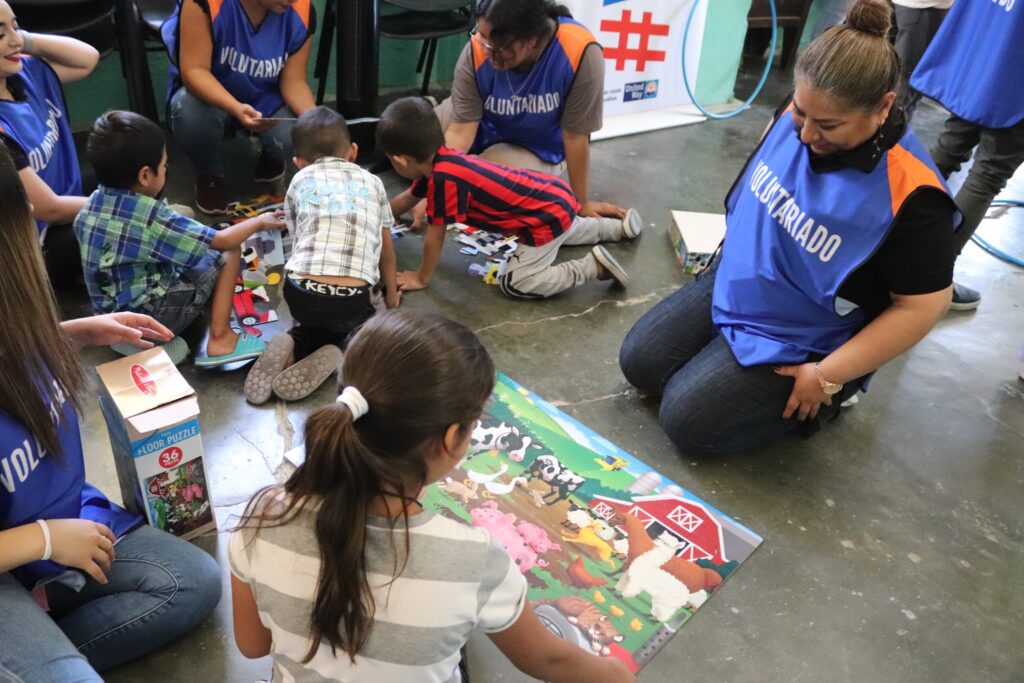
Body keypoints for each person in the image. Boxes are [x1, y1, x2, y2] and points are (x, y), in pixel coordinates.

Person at [619, 0, 959, 455]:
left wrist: (828, 375)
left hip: (808, 333)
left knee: (686, 419)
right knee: (640, 363)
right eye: (801, 113)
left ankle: (835, 396)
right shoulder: (799, 112)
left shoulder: (914, 196)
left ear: (883, 107)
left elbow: (923, 306)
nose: (806, 135)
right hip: (746, 280)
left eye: (828, 125)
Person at [229, 310, 635, 683]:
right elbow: (549, 660)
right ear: (451, 439)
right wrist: (617, 675)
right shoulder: (474, 561)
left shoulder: (263, 517)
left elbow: (252, 645)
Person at [0, 144, 222, 681]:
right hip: (27, 545)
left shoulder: (18, 313)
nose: (33, 212)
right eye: (16, 211)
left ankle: (44, 646)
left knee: (193, 581)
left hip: (56, 520)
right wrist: (44, 540)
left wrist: (70, 333)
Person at [74, 110, 285, 368]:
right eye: (164, 165)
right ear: (145, 175)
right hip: (152, 315)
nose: (166, 169)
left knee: (184, 215)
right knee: (230, 253)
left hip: (109, 317)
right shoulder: (152, 218)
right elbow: (223, 241)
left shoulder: (89, 206)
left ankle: (129, 339)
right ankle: (220, 339)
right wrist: (259, 222)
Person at [379, 97, 642, 300]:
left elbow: (434, 238)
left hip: (542, 218)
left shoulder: (443, 181)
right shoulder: (443, 160)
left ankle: (592, 267)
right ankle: (617, 228)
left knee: (517, 283)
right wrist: (377, 217)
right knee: (562, 226)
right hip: (552, 197)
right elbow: (407, 198)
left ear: (401, 160)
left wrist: (421, 278)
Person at [244, 106, 400, 405]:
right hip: (350, 300)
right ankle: (343, 349)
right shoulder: (374, 182)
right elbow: (386, 252)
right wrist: (391, 298)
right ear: (353, 151)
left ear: (298, 162)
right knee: (370, 327)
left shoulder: (299, 181)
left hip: (300, 293)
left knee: (316, 317)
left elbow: (299, 238)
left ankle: (295, 341)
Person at [436, 0, 624, 221]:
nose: (485, 49)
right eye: (482, 36)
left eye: (497, 45)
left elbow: (575, 137)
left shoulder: (579, 52)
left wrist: (580, 203)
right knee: (413, 154)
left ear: (531, 40)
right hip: (479, 121)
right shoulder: (479, 48)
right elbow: (460, 131)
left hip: (535, 148)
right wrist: (437, 186)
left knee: (481, 189)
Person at [910, 0, 1024, 310]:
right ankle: (927, 284)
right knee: (987, 174)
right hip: (1015, 69)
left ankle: (885, 250)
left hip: (986, 48)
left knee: (949, 148)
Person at [162, 0, 317, 214]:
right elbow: (194, 71)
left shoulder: (302, 10)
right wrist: (236, 107)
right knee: (190, 114)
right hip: (210, 97)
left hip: (265, 98)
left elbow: (294, 81)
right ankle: (209, 174)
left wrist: (316, 122)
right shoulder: (204, 4)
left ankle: (271, 156)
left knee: (297, 135)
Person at [0, 0, 98, 286]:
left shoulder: (23, 71)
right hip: (38, 244)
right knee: (125, 217)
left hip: (67, 197)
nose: (16, 40)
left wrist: (23, 40)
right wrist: (126, 207)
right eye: (1, 34)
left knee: (134, 163)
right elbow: (48, 208)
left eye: (16, 27)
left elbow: (87, 59)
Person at [892, 0, 952, 121]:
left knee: (897, 75)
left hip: (912, 7)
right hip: (923, 7)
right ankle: (891, 128)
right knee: (908, 78)